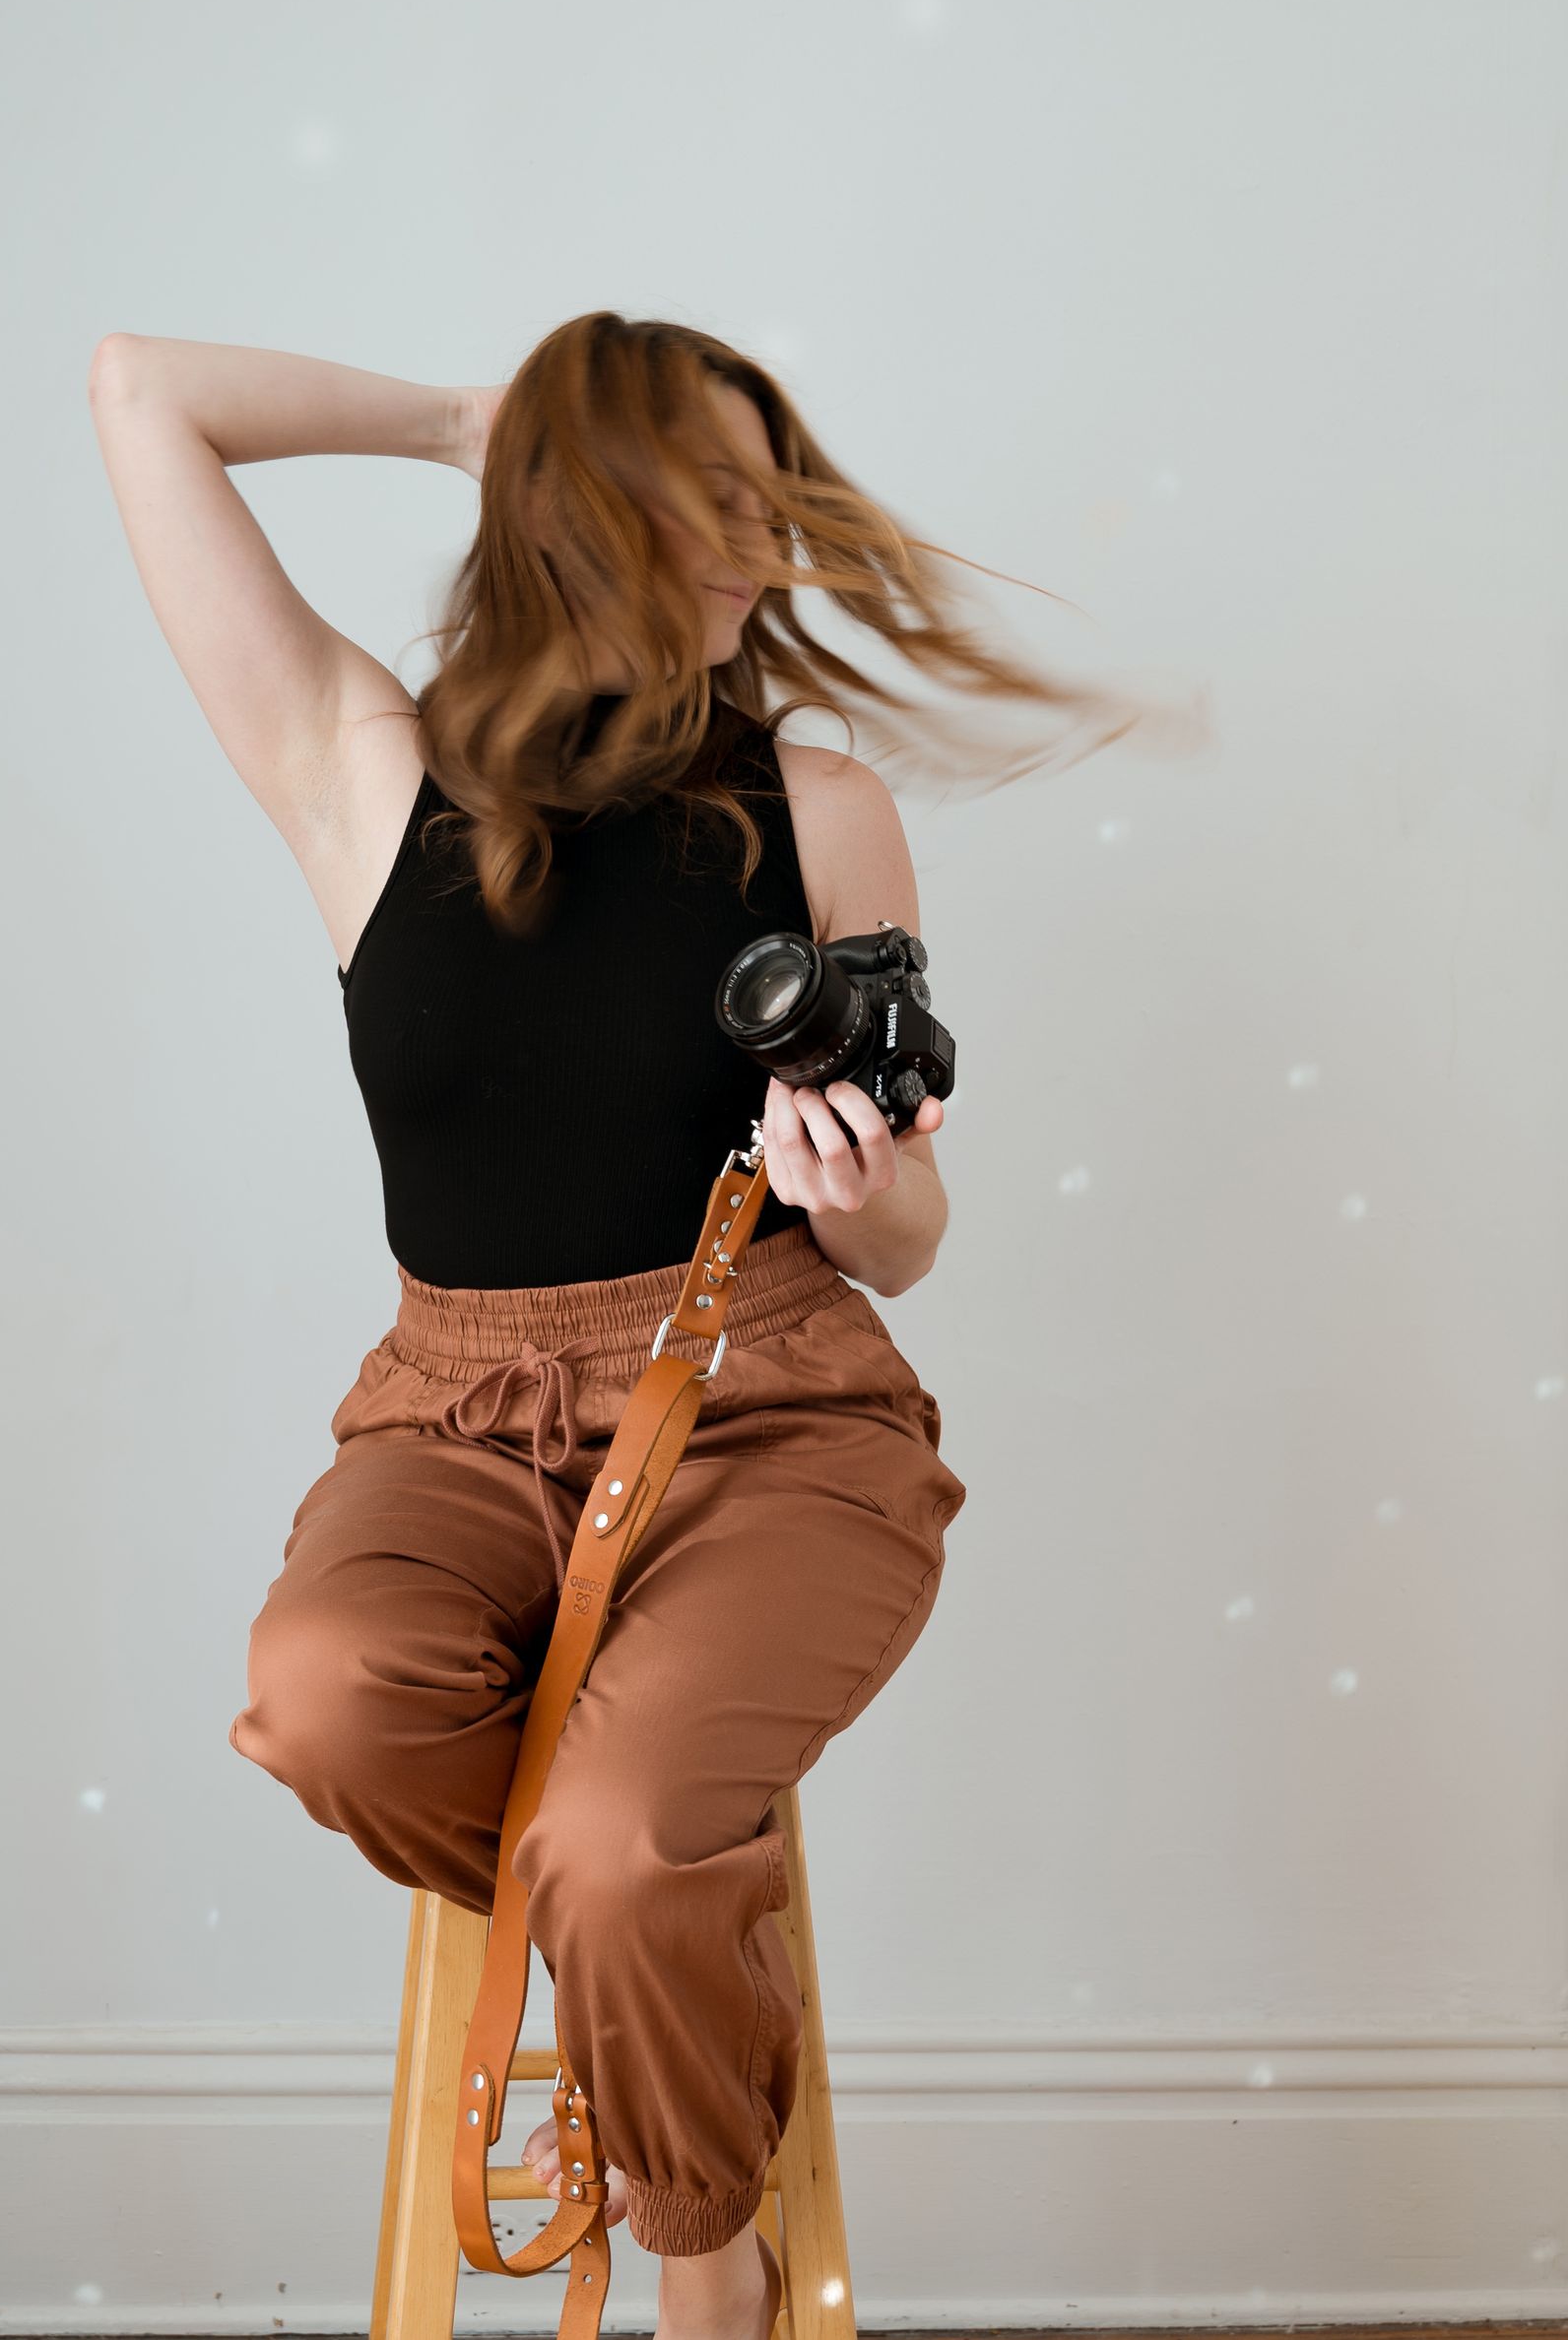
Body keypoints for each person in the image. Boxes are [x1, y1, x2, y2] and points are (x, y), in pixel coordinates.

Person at [88, 310, 1148, 2340]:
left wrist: (861, 1185)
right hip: (452, 1416)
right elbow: (143, 390)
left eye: (775, 498)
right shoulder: (359, 767)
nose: (760, 542)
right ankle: (653, 1931)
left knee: (621, 1833)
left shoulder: (818, 804)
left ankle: (701, 2248)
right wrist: (468, 420)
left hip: (771, 1408)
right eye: (708, 495)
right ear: (574, 509)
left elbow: (913, 1238)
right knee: (333, 1701)